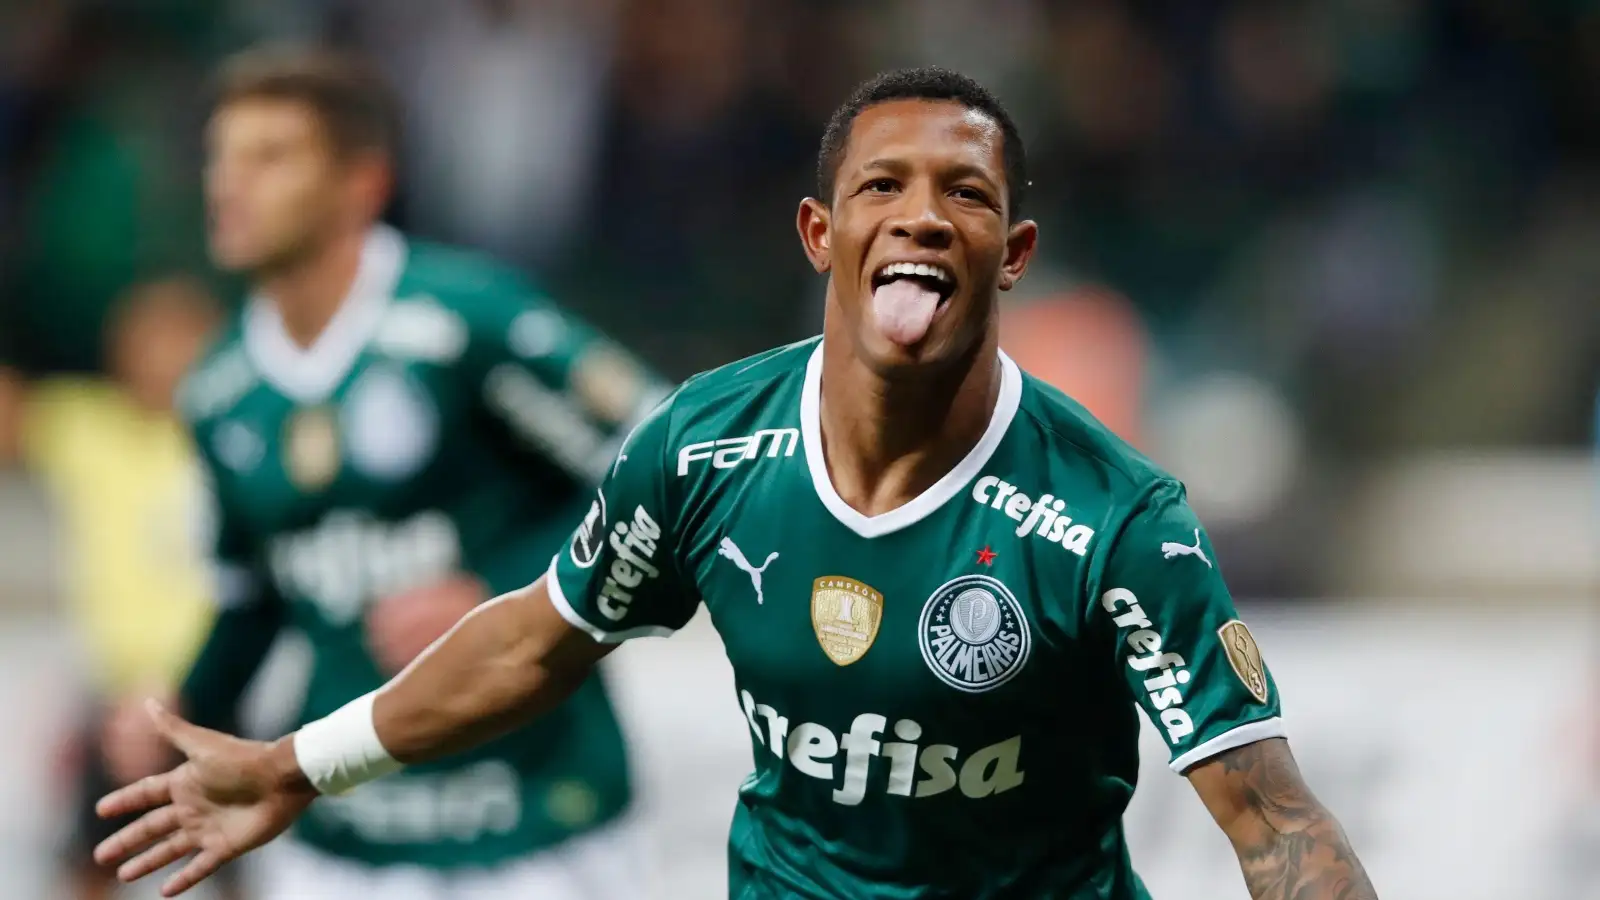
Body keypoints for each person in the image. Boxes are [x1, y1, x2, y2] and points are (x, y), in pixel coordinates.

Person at [94, 66, 1377, 900]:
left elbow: (1272, 823)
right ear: (823, 234)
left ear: (1015, 250)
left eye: (966, 195)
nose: (922, 215)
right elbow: (538, 641)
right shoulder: (707, 445)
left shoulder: (1117, 517)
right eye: (883, 185)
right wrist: (301, 764)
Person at [98, 46, 669, 899]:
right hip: (343, 840)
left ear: (362, 184)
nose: (229, 184)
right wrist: (173, 719)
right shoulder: (219, 389)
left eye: (269, 157)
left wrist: (503, 590)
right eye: (221, 157)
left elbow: (663, 464)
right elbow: (253, 599)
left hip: (538, 825)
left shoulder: (465, 321)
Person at [10, 277, 237, 900]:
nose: (165, 359)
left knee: (239, 856)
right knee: (94, 855)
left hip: (214, 691)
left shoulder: (237, 435)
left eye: (183, 341)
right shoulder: (90, 428)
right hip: (116, 694)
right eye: (148, 341)